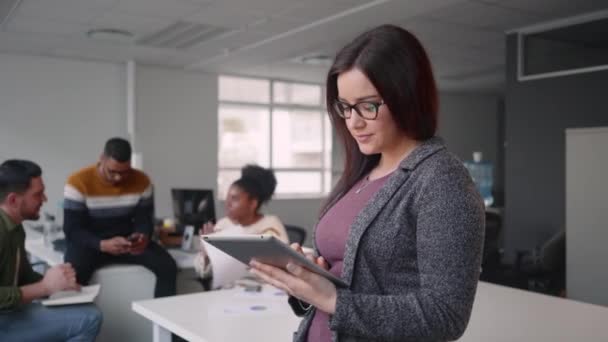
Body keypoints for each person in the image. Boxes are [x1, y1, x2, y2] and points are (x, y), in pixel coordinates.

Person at [249, 24, 485, 341]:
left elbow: (445, 316)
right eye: (345, 107)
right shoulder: (361, 172)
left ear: (407, 97)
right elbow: (342, 283)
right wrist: (305, 282)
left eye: (368, 105)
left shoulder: (441, 180)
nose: (353, 122)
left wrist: (333, 299)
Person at [0, 159, 102, 342]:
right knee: (90, 318)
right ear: (13, 200)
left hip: (9, 313)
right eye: (38, 194)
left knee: (87, 312)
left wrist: (59, 286)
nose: (45, 199)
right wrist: (44, 287)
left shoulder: (15, 228)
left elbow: (23, 276)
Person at [63, 138, 177, 298]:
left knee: (168, 267)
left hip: (126, 242)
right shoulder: (78, 182)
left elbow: (144, 220)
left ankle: (162, 319)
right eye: (112, 171)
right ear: (101, 158)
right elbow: (72, 229)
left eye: (124, 172)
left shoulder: (142, 181)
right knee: (72, 277)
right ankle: (78, 321)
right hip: (90, 243)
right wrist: (101, 244)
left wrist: (142, 236)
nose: (118, 178)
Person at [194, 165, 288, 281]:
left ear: (253, 203)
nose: (227, 203)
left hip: (262, 291)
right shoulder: (222, 224)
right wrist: (207, 253)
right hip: (226, 292)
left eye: (234, 199)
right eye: (227, 198)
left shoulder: (270, 225)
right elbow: (201, 273)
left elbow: (281, 267)